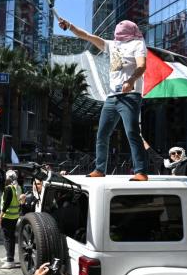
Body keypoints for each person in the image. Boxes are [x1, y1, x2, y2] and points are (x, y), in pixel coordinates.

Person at [59, 18, 149, 181]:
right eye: (117, 33)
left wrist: (131, 81)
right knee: (102, 133)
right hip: (112, 97)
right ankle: (100, 169)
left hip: (131, 95)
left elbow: (142, 66)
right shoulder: (112, 45)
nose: (118, 35)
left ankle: (141, 171)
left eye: (121, 32)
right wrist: (70, 26)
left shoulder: (138, 44)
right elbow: (86, 36)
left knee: (132, 133)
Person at [0, 171, 22, 269]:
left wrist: (0, 216)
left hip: (7, 216)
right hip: (15, 216)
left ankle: (10, 260)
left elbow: (6, 204)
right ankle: (9, 256)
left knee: (7, 238)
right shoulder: (18, 187)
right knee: (10, 238)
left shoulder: (9, 188)